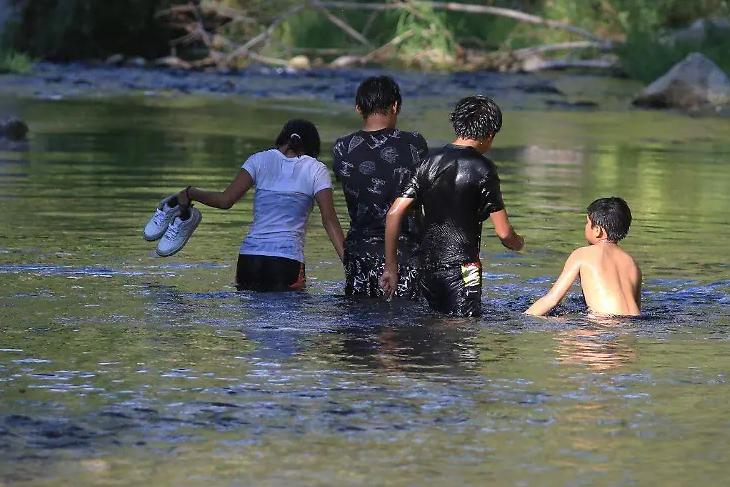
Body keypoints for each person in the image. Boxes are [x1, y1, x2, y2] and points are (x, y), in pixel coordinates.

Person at [144, 119, 346, 291]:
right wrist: (349, 262)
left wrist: (190, 193)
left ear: (281, 140)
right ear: (312, 148)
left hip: (249, 260)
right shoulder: (316, 169)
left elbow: (225, 201)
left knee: (255, 329)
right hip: (286, 261)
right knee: (287, 328)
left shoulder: (259, 159)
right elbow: (329, 220)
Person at [382, 95, 525, 316]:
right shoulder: (483, 168)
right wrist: (518, 244)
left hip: (427, 269)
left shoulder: (428, 161)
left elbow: (394, 213)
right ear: (490, 134)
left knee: (432, 334)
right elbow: (504, 233)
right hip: (463, 269)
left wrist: (391, 267)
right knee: (463, 337)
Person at [332, 75, 429, 299]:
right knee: (408, 326)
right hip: (406, 252)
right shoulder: (414, 143)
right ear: (395, 106)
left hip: (360, 253)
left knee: (358, 327)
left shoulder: (342, 148)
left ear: (359, 109)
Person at [525, 197, 641, 317]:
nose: (586, 226)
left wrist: (523, 319)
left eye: (587, 223)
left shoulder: (582, 255)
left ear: (597, 230)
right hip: (633, 326)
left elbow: (552, 299)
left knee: (560, 328)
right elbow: (637, 308)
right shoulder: (632, 263)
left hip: (604, 325)